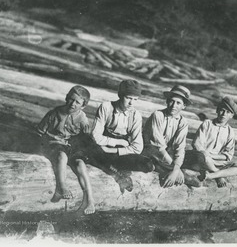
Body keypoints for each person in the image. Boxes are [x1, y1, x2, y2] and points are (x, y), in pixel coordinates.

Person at [87, 79, 154, 193]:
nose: (131, 103)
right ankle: (119, 175)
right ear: (120, 95)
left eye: (135, 99)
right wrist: (117, 143)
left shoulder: (135, 115)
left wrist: (115, 149)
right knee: (97, 155)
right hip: (102, 147)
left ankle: (118, 168)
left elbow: (137, 147)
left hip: (118, 150)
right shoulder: (106, 107)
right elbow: (96, 136)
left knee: (147, 164)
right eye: (128, 98)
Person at [36, 85, 95, 214]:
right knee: (62, 156)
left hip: (70, 146)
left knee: (80, 164)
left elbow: (85, 138)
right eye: (71, 99)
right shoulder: (54, 113)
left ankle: (89, 199)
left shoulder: (82, 118)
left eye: (77, 102)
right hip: (53, 144)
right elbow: (40, 132)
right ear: (66, 98)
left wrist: (85, 135)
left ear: (83, 106)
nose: (73, 104)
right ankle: (61, 186)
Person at [143, 85, 203, 188]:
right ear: (167, 101)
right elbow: (159, 145)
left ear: (183, 106)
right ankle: (184, 177)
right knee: (152, 157)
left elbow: (179, 146)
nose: (174, 105)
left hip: (168, 154)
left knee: (199, 157)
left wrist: (176, 168)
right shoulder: (158, 115)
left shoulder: (182, 122)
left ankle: (172, 171)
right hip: (152, 150)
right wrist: (177, 169)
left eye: (178, 103)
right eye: (172, 101)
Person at [188, 96, 237, 187]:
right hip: (202, 158)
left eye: (228, 112)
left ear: (231, 116)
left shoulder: (229, 131)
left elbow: (228, 155)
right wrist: (206, 154)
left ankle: (211, 175)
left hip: (217, 161)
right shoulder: (207, 124)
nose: (224, 114)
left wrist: (212, 156)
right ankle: (219, 175)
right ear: (217, 110)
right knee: (204, 158)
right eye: (222, 110)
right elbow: (197, 144)